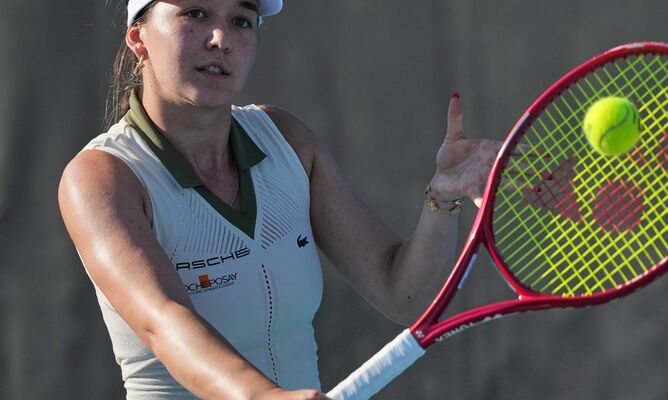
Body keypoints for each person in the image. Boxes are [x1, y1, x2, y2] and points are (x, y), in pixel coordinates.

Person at [58, 0, 500, 398]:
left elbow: (402, 295)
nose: (221, 39)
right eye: (195, 13)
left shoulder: (286, 139)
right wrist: (264, 397)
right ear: (139, 38)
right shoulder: (100, 177)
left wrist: (443, 199)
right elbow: (164, 320)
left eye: (241, 20)